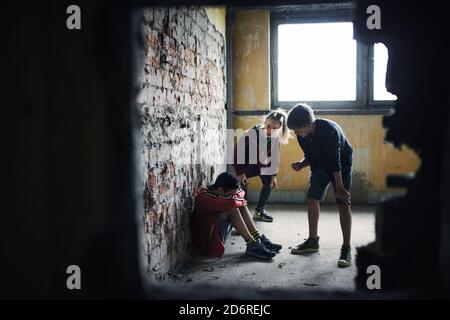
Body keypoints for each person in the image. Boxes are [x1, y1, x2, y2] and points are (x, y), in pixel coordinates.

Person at [287, 103, 354, 268]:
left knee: (343, 202)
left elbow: (334, 161)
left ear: (309, 124)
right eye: (294, 130)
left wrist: (339, 187)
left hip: (341, 166)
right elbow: (310, 155)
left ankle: (346, 248)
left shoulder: (329, 131)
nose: (296, 133)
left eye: (298, 129)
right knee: (312, 198)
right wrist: (301, 164)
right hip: (319, 166)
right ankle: (312, 241)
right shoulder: (302, 135)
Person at [191, 172, 282, 260]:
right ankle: (252, 244)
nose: (233, 196)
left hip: (216, 234)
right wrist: (241, 200)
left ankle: (257, 238)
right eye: (231, 195)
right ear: (220, 190)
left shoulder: (220, 192)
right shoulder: (204, 198)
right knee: (233, 209)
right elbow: (234, 201)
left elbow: (241, 192)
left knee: (240, 205)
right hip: (207, 243)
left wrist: (240, 200)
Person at [232, 110, 290, 222]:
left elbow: (275, 156)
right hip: (246, 164)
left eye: (274, 128)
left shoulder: (275, 138)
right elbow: (237, 153)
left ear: (279, 129)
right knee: (242, 186)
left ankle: (259, 211)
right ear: (265, 122)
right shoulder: (251, 133)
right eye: (268, 126)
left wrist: (273, 175)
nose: (270, 130)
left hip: (262, 164)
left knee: (269, 183)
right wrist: (240, 173)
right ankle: (241, 214)